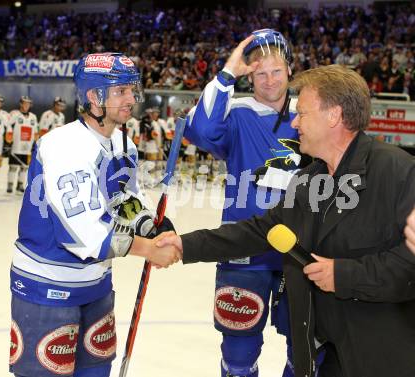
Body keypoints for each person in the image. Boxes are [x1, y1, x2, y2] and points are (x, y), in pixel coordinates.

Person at [157, 65, 415, 377]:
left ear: (333, 116)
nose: (294, 123)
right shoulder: (308, 180)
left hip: (381, 353)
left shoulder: (399, 172)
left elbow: (408, 265)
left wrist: (344, 275)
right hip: (326, 353)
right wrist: (184, 245)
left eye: (302, 114)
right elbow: (261, 231)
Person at [9, 53, 181, 377]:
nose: (131, 98)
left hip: (97, 284)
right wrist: (149, 249)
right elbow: (86, 235)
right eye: (120, 91)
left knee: (97, 370)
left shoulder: (121, 143)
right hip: (48, 285)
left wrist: (151, 225)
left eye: (132, 89)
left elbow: (124, 199)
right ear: (93, 97)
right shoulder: (62, 146)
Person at [184, 29, 302, 377]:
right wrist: (229, 71)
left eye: (276, 71)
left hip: (299, 252)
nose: (268, 80)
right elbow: (201, 131)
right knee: (238, 355)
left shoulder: (307, 113)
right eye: (259, 72)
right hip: (243, 250)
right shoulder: (235, 114)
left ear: (290, 71)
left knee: (305, 352)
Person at [7, 95, 39, 193]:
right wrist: (8, 141)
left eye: (28, 103)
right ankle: (10, 185)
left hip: (27, 147)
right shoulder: (14, 114)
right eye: (24, 103)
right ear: (21, 103)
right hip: (16, 146)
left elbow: (36, 132)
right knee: (13, 166)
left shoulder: (33, 117)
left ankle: (20, 185)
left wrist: (35, 144)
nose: (26, 105)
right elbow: (7, 126)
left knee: (24, 167)